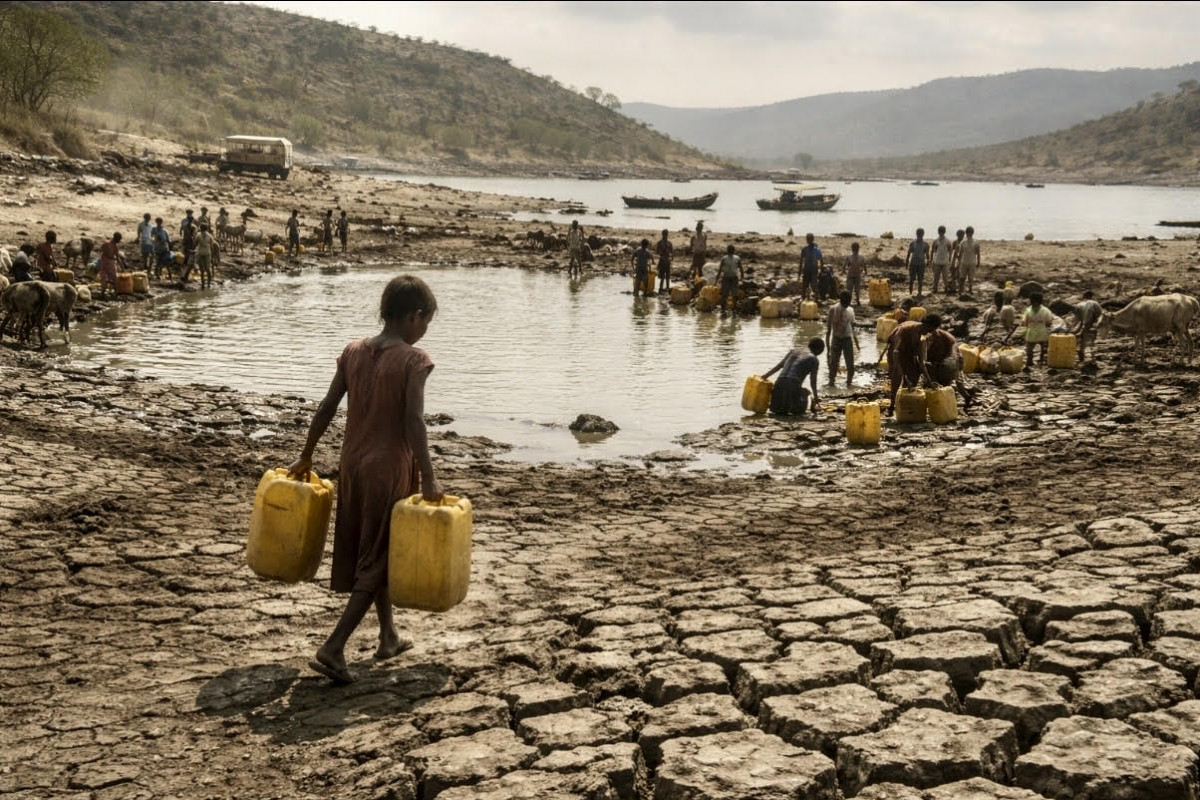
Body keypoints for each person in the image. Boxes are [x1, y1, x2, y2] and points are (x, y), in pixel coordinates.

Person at [287, 275, 441, 685]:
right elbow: (413, 421)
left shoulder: (353, 351)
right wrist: (428, 476)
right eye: (425, 322)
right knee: (380, 555)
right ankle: (334, 647)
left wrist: (306, 455)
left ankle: (388, 636)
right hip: (389, 467)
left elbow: (325, 407)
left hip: (352, 464)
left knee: (375, 546)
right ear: (414, 316)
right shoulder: (413, 359)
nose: (424, 330)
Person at [762, 337, 825, 415]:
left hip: (778, 385)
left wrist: (765, 376)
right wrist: (815, 398)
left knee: (778, 411)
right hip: (792, 386)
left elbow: (778, 366)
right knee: (801, 406)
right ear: (819, 350)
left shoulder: (794, 351)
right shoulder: (814, 359)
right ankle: (797, 404)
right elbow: (813, 381)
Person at [826, 290, 857, 388]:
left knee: (850, 364)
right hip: (836, 338)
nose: (846, 305)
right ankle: (831, 383)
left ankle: (849, 383)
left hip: (847, 338)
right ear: (841, 300)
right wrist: (828, 348)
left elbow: (852, 327)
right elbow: (828, 330)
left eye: (848, 302)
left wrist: (856, 341)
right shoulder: (833, 310)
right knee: (833, 363)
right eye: (845, 302)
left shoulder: (850, 311)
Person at [1022, 291, 1054, 369]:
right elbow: (1049, 322)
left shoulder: (1028, 310)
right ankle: (1041, 361)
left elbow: (1025, 322)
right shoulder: (1045, 310)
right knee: (1043, 347)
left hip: (1032, 331)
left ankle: (1030, 362)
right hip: (1041, 331)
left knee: (1030, 348)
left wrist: (1027, 327)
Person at [1071, 290, 1104, 361]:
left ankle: (1080, 352)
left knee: (1082, 338)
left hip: (1083, 324)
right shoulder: (1095, 303)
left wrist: (1075, 328)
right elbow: (1100, 316)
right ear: (1091, 296)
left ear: (1083, 296)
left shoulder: (1079, 304)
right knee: (1091, 341)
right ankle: (1091, 356)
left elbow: (1077, 319)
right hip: (1091, 325)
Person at [97, 233, 127, 300]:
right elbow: (117, 257)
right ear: (116, 239)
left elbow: (100, 251)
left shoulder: (106, 243)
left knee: (104, 277)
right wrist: (122, 267)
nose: (119, 241)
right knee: (114, 278)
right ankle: (116, 293)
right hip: (110, 262)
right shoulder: (114, 246)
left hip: (104, 261)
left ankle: (102, 293)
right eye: (119, 239)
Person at [717, 243, 742, 314]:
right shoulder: (737, 258)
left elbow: (719, 270)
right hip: (733, 277)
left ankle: (723, 309)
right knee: (734, 294)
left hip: (727, 277)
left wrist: (716, 280)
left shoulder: (724, 258)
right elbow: (741, 269)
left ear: (727, 251)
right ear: (734, 251)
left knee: (725, 294)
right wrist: (742, 278)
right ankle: (734, 309)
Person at [190, 224, 216, 289]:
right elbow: (212, 246)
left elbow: (195, 243)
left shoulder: (199, 235)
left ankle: (204, 284)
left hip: (202, 253)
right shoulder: (208, 236)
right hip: (205, 253)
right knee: (206, 269)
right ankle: (207, 284)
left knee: (203, 270)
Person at [905, 227, 929, 296]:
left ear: (923, 234)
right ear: (916, 234)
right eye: (918, 234)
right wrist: (907, 262)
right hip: (913, 263)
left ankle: (919, 293)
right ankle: (910, 292)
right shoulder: (913, 243)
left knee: (920, 279)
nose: (919, 235)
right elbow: (909, 253)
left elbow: (927, 254)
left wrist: (928, 261)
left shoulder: (925, 244)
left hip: (921, 264)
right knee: (911, 279)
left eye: (921, 234)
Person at [799, 233, 823, 301]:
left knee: (807, 286)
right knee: (811, 286)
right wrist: (821, 270)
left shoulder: (806, 249)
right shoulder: (816, 250)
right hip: (812, 271)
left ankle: (806, 300)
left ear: (807, 240)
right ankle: (815, 300)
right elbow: (821, 260)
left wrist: (799, 272)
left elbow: (801, 262)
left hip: (809, 271)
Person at [959, 226, 980, 295]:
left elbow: (978, 253)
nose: (969, 234)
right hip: (964, 261)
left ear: (972, 233)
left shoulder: (975, 243)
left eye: (970, 232)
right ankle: (961, 290)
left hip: (972, 262)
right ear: (966, 233)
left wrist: (978, 263)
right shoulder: (963, 242)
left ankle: (970, 289)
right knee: (962, 277)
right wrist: (959, 262)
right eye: (968, 232)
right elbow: (961, 253)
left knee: (971, 277)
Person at [930, 225, 952, 294]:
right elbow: (932, 251)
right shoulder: (936, 241)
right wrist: (931, 260)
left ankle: (946, 288)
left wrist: (950, 260)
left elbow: (950, 251)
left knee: (945, 276)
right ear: (938, 232)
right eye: (940, 231)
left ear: (944, 232)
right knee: (936, 276)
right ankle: (935, 288)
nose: (941, 232)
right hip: (937, 261)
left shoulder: (948, 241)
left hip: (945, 261)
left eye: (942, 231)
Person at [844, 242, 866, 306]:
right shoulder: (856, 257)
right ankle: (856, 301)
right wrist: (864, 271)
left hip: (854, 275)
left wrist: (844, 270)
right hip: (854, 274)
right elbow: (864, 266)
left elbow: (845, 265)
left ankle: (856, 300)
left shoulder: (856, 257)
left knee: (853, 289)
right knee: (853, 289)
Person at [949, 229, 965, 294]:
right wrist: (951, 260)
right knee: (953, 275)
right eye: (959, 235)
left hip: (961, 260)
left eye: (962, 235)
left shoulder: (964, 242)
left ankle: (960, 289)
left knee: (960, 276)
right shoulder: (955, 242)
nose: (960, 236)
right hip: (955, 260)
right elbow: (951, 251)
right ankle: (954, 288)